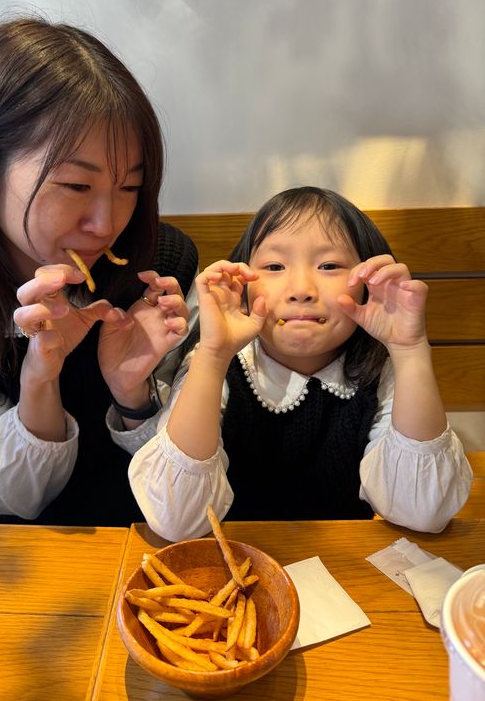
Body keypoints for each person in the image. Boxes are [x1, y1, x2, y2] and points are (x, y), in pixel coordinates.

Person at [0, 16, 199, 526]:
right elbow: (9, 501)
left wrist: (134, 396)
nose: (106, 225)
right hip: (16, 555)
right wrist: (40, 376)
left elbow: (182, 485)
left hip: (145, 534)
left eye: (129, 188)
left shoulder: (161, 271)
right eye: (76, 186)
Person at [128, 186, 473, 541]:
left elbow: (423, 512)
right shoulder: (215, 366)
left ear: (368, 284)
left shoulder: (379, 370)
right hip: (239, 559)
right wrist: (214, 355)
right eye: (275, 266)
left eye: (329, 266)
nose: (301, 289)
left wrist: (410, 349)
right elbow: (177, 520)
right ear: (242, 287)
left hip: (346, 558)